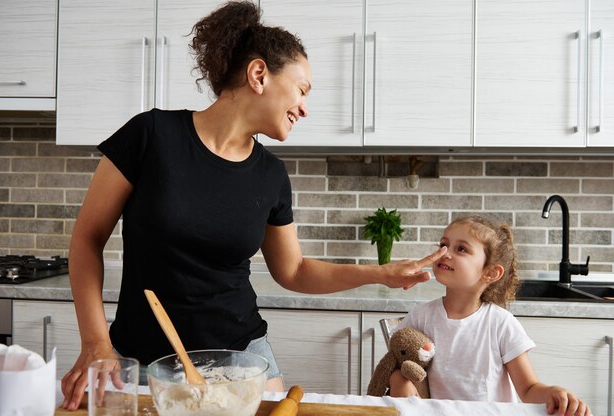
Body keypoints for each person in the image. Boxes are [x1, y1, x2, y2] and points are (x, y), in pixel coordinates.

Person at [59, 1, 447, 411]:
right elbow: (88, 237)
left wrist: (381, 274)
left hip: (242, 362)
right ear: (259, 74)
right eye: (302, 89)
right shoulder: (150, 136)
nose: (304, 107)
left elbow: (294, 271)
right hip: (142, 362)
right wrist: (95, 342)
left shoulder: (271, 175)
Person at [390, 216, 590, 416]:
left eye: (461, 249)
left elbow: (528, 389)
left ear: (491, 273)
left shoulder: (501, 324)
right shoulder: (420, 317)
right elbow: (395, 367)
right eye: (443, 245)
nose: (445, 253)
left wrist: (553, 392)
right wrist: (400, 383)